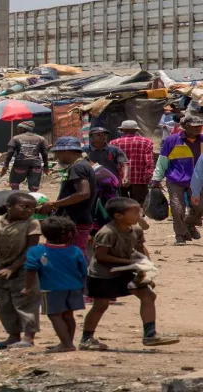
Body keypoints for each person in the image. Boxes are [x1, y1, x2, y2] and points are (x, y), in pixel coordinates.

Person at [80, 197, 180, 350]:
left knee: (148, 295)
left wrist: (147, 268)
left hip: (127, 272)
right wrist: (130, 263)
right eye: (135, 213)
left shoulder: (136, 230)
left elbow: (140, 249)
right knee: (100, 305)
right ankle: (86, 338)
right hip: (103, 274)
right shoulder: (107, 232)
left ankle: (150, 334)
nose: (138, 216)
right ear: (118, 216)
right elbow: (101, 256)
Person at [0, 192, 42, 349]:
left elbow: (31, 249)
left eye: (32, 208)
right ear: (8, 207)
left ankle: (29, 337)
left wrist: (13, 267)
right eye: (24, 207)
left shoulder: (32, 224)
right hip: (1, 268)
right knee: (5, 305)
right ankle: (13, 336)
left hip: (24, 270)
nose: (28, 211)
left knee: (26, 304)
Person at [24, 216, 87, 353]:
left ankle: (66, 344)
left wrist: (28, 287)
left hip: (51, 288)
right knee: (68, 315)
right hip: (74, 287)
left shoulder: (36, 251)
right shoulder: (75, 250)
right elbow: (83, 270)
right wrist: (83, 286)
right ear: (69, 234)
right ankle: (67, 342)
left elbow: (31, 269)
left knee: (54, 315)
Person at [38, 137, 97, 257]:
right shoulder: (80, 165)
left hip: (76, 221)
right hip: (75, 220)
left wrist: (54, 204)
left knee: (73, 255)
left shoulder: (78, 167)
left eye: (57, 153)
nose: (56, 157)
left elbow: (83, 193)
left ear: (67, 151)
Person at [152, 116, 203, 245]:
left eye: (199, 126)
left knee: (199, 206)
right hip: (175, 179)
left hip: (197, 180)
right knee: (177, 208)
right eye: (194, 126)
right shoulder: (172, 140)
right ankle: (180, 235)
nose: (198, 128)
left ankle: (189, 224)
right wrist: (156, 179)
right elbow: (162, 161)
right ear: (185, 127)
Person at [110, 120, 154, 205]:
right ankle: (138, 217)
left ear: (122, 130)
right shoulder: (147, 142)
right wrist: (149, 177)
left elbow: (111, 162)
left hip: (120, 178)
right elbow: (149, 162)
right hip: (140, 178)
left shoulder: (113, 143)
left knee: (122, 204)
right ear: (136, 130)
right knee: (139, 204)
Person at [1, 121, 49, 192]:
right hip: (35, 165)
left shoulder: (15, 138)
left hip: (20, 165)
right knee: (33, 187)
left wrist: (5, 166)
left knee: (14, 183)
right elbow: (45, 153)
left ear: (23, 128)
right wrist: (46, 166)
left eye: (19, 128)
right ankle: (32, 200)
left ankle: (16, 197)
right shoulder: (41, 139)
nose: (17, 130)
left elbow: (10, 152)